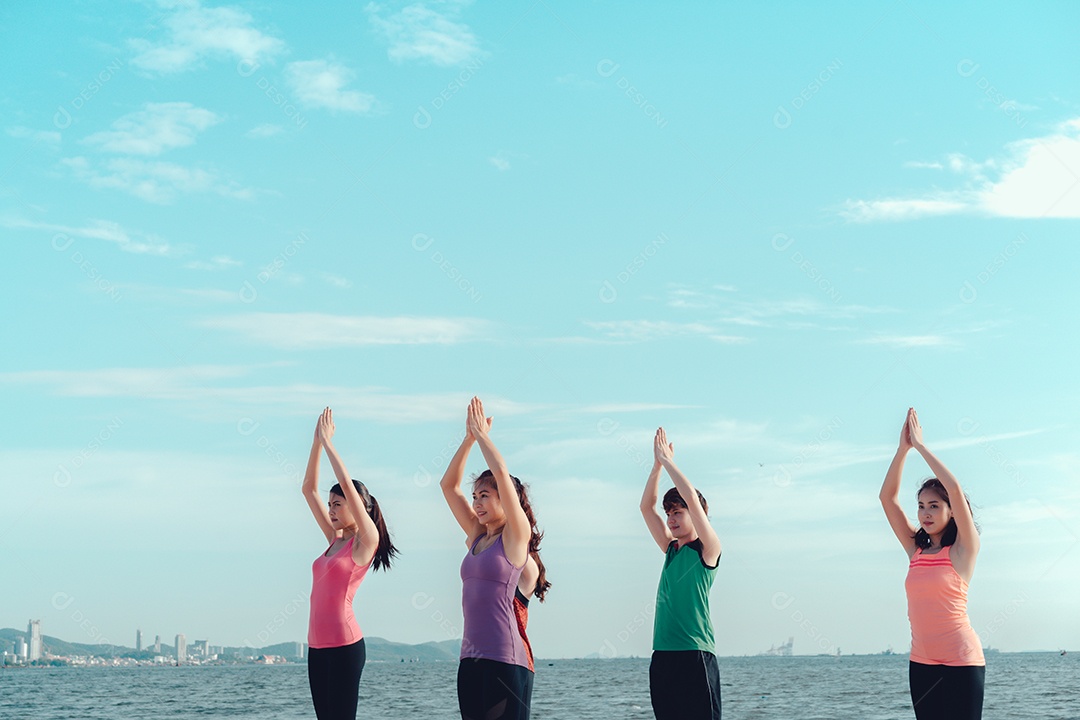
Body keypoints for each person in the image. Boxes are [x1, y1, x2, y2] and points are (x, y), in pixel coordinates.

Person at [439, 396, 549, 720]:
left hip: (506, 660)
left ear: (506, 499)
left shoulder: (515, 538)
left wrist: (484, 437)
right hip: (469, 660)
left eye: (484, 496)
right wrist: (469, 439)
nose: (476, 503)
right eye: (474, 497)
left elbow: (501, 471)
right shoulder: (476, 536)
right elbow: (448, 485)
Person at [879, 407, 984, 720]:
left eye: (934, 506)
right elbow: (887, 499)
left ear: (951, 511)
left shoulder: (963, 550)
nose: (925, 512)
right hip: (921, 661)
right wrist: (902, 450)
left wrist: (922, 447)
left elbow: (954, 489)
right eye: (921, 506)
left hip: (962, 661)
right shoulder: (916, 550)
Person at [302, 407, 398, 720]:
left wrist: (330, 445)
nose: (331, 510)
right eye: (330, 504)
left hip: (345, 646)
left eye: (337, 504)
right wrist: (316, 443)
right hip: (316, 647)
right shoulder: (334, 539)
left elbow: (345, 481)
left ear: (357, 507)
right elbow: (307, 489)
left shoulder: (363, 541)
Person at [640, 427, 722, 720]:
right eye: (669, 513)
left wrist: (670, 461)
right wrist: (656, 466)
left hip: (695, 654)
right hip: (662, 656)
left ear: (696, 512)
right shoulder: (670, 549)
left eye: (678, 512)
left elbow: (690, 495)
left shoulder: (707, 549)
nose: (671, 518)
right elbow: (646, 508)